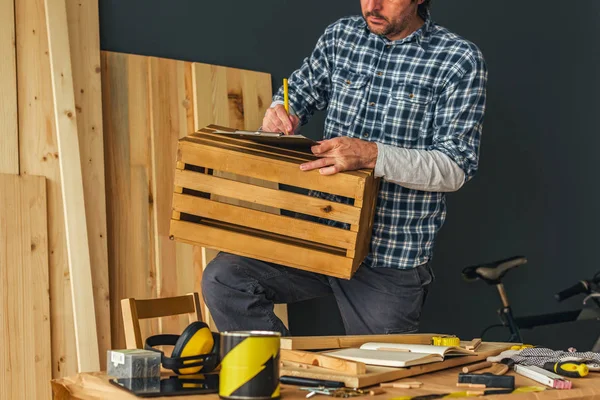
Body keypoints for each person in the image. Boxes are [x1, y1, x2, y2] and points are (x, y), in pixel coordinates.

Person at [202, 0, 488, 335]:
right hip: (319, 235)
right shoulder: (341, 36)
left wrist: (372, 156)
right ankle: (280, 373)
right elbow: (297, 92)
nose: (373, 5)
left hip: (388, 257)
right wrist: (279, 109)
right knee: (225, 279)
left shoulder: (458, 59)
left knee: (383, 377)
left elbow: (455, 166)